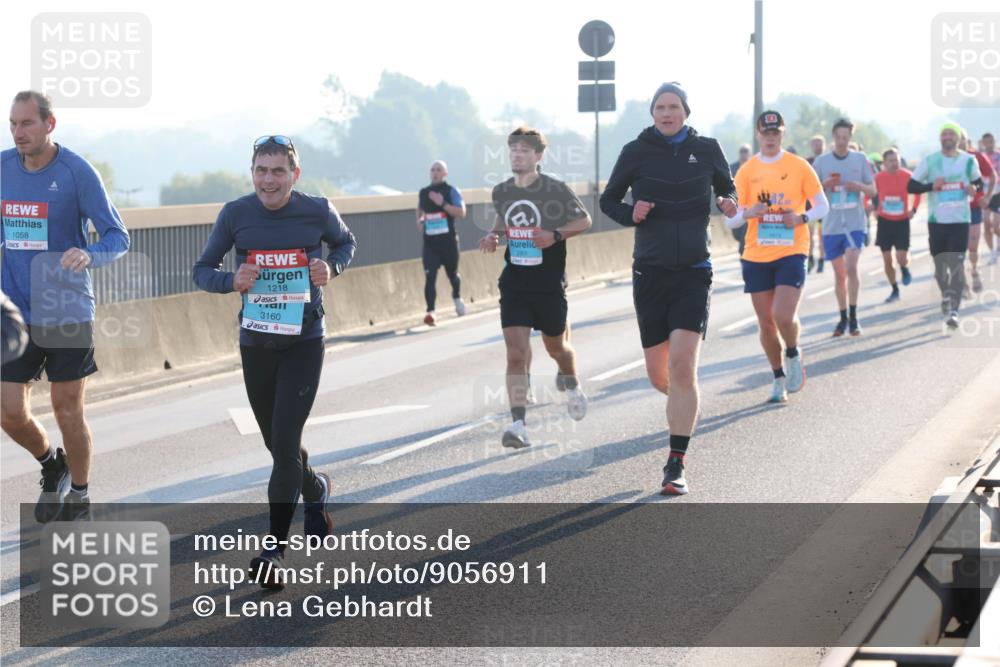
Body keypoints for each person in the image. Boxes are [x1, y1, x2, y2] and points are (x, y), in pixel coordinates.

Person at [193, 135, 357, 588]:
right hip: (256, 343)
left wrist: (332, 268)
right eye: (261, 171)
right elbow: (201, 270)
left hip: (304, 340)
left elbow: (346, 244)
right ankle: (315, 488)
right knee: (277, 445)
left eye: (278, 171)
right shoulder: (235, 214)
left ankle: (273, 550)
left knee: (285, 439)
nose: (268, 180)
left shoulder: (317, 210)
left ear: (294, 175)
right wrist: (232, 280)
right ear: (252, 173)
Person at [601, 82, 737, 495]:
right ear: (652, 113)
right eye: (660, 107)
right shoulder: (635, 152)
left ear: (685, 111)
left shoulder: (709, 148)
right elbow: (608, 201)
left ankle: (675, 463)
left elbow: (725, 188)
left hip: (694, 271)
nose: (666, 113)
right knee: (659, 374)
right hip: (650, 272)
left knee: (682, 365)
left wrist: (729, 201)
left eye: (673, 106)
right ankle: (685, 401)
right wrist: (631, 212)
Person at [1, 90, 131, 523]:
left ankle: (79, 491)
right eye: (13, 124)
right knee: (9, 412)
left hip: (66, 308)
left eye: (27, 124)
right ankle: (50, 463)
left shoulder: (76, 172)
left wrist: (89, 254)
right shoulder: (2, 167)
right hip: (14, 311)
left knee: (66, 408)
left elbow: (118, 236)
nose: (19, 132)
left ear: (49, 124)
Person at [480, 127, 591, 450]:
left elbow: (583, 220)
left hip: (548, 284)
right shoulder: (502, 191)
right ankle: (518, 425)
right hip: (515, 282)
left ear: (538, 156)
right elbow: (505, 221)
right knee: (515, 355)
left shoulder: (554, 189)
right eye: (513, 149)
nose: (518, 155)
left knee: (557, 348)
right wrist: (493, 236)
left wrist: (554, 235)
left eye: (525, 150)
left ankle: (572, 384)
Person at [725, 111, 828, 404]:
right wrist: (748, 213)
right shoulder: (747, 171)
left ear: (782, 134)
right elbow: (729, 220)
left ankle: (793, 352)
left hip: (791, 250)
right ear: (758, 135)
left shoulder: (798, 166)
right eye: (766, 133)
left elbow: (823, 206)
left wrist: (801, 217)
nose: (771, 137)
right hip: (756, 254)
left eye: (776, 132)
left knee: (783, 315)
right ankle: (777, 376)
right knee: (766, 323)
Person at [907, 122, 983, 329]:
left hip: (960, 220)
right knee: (941, 269)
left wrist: (973, 188)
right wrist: (931, 186)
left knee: (957, 265)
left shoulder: (968, 161)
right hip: (937, 221)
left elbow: (979, 183)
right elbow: (911, 185)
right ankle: (946, 296)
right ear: (940, 139)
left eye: (951, 133)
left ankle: (954, 312)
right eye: (944, 134)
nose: (947, 136)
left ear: (958, 138)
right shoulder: (930, 161)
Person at [811, 119, 877, 336]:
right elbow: (808, 191)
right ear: (833, 137)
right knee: (839, 276)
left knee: (851, 267)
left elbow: (873, 190)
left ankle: (854, 316)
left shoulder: (860, 159)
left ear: (850, 138)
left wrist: (859, 186)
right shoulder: (821, 162)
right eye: (838, 137)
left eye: (845, 138)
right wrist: (824, 186)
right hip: (831, 226)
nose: (841, 142)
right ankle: (842, 318)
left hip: (855, 223)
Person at [417, 160, 467, 326]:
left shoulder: (451, 191)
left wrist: (442, 204)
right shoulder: (424, 192)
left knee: (452, 275)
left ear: (445, 173)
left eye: (439, 170)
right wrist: (420, 220)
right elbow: (420, 210)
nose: (435, 172)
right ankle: (430, 312)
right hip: (430, 243)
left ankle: (457, 298)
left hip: (449, 243)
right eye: (432, 170)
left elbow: (461, 212)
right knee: (429, 277)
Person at [873, 148, 920, 302]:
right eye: (891, 161)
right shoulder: (878, 177)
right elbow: (870, 194)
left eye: (897, 161)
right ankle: (894, 289)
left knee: (902, 258)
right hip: (884, 221)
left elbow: (918, 192)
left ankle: (904, 268)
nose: (895, 164)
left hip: (901, 221)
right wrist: (872, 207)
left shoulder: (907, 175)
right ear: (884, 163)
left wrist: (913, 209)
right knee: (887, 258)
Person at [958, 131, 996, 294]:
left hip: (973, 207)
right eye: (956, 140)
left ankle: (974, 270)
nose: (959, 144)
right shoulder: (944, 160)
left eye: (962, 141)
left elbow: (993, 176)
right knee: (959, 248)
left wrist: (987, 197)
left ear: (967, 142)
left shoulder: (976, 156)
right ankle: (962, 281)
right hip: (953, 210)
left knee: (972, 246)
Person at [806, 135, 827, 273]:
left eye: (820, 143)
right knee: (809, 235)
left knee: (821, 235)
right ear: (811, 146)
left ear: (824, 145)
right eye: (815, 143)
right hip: (809, 206)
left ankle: (821, 260)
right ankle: (810, 258)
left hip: (823, 205)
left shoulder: (828, 161)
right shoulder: (807, 162)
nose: (817, 146)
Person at [981, 132, 1000, 265]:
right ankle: (993, 253)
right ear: (983, 143)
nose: (989, 145)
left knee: (996, 226)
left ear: (994, 141)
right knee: (987, 226)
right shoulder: (980, 158)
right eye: (986, 142)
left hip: (998, 194)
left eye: (991, 142)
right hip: (985, 195)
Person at [729, 144, 751, 255]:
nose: (744, 153)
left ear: (749, 153)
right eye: (742, 151)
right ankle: (743, 246)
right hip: (735, 204)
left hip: (749, 205)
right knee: (736, 233)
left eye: (746, 151)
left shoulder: (754, 167)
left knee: (745, 228)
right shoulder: (732, 168)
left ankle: (743, 251)